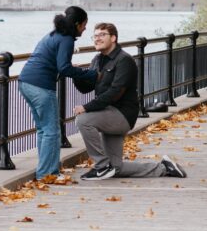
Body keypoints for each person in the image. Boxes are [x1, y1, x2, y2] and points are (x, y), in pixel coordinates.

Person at [73, 22, 187, 180]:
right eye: (95, 36)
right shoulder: (97, 60)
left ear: (113, 38)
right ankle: (164, 168)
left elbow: (114, 93)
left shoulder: (124, 60)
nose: (97, 39)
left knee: (83, 120)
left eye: (101, 35)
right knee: (116, 168)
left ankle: (101, 166)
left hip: (122, 115)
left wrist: (86, 107)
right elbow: (86, 88)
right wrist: (76, 74)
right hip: (107, 113)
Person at [18, 6, 94, 180]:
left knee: (43, 130)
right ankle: (47, 174)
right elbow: (64, 68)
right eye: (84, 25)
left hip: (25, 82)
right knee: (52, 131)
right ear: (77, 24)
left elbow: (59, 64)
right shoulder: (67, 39)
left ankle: (44, 170)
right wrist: (91, 74)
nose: (84, 28)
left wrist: (71, 69)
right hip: (41, 86)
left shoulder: (54, 35)